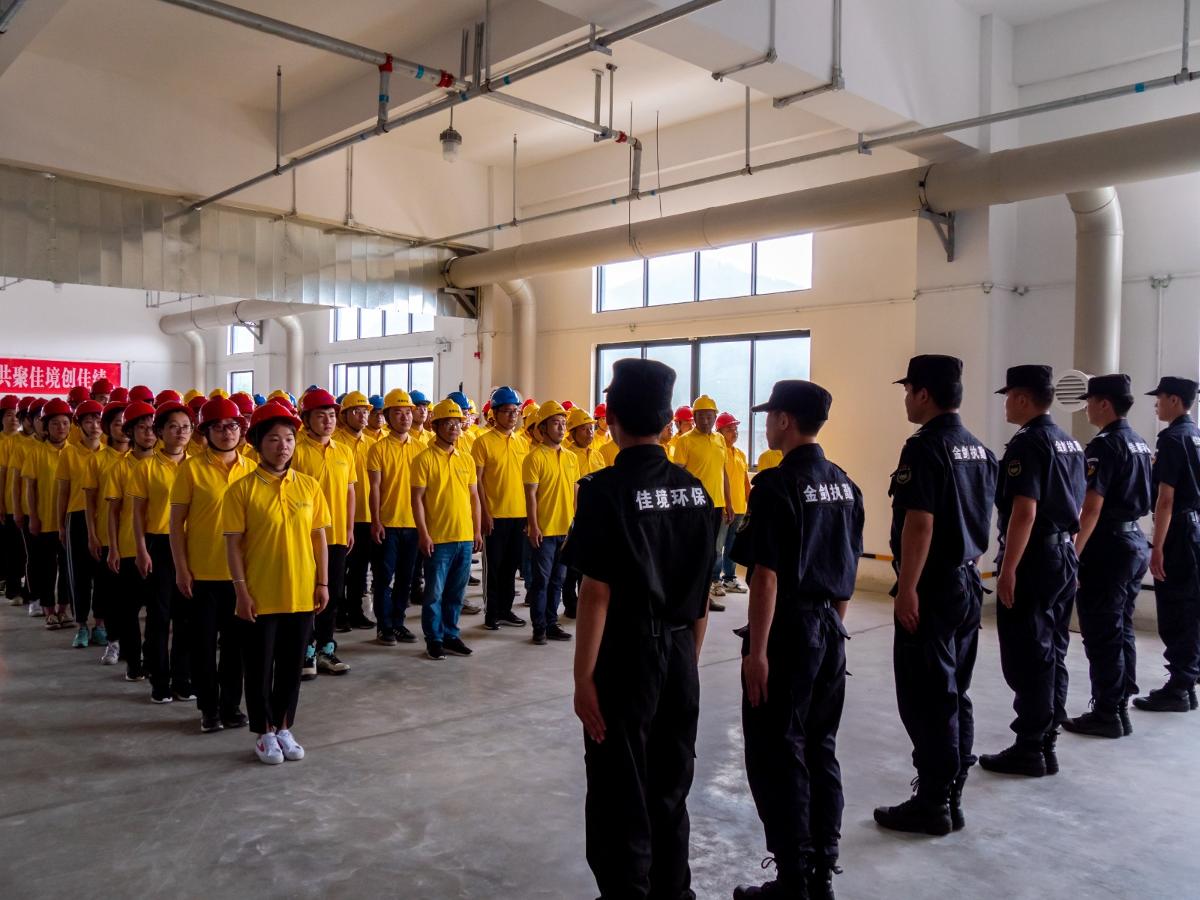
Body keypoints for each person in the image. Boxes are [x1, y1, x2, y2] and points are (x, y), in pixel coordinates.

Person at [565, 358, 715, 900]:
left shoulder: (603, 490)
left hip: (625, 656)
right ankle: (673, 891)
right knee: (671, 782)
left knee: (618, 786)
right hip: (679, 650)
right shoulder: (695, 491)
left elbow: (596, 593)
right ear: (668, 423)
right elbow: (701, 591)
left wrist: (583, 679)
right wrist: (687, 659)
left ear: (611, 421)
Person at [728, 381, 862, 900]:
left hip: (788, 632)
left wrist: (758, 652)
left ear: (784, 420)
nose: (766, 424)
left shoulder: (777, 485)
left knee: (777, 753)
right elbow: (846, 570)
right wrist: (833, 630)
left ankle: (793, 879)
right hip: (830, 629)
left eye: (770, 416)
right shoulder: (845, 485)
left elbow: (765, 577)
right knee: (820, 745)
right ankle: (821, 868)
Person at [873, 356, 996, 837]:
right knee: (954, 693)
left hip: (933, 587)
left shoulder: (925, 447)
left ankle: (932, 804)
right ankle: (951, 795)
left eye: (908, 391)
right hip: (966, 580)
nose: (906, 400)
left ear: (923, 394)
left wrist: (907, 589)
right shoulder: (978, 449)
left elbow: (920, 524)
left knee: (927, 697)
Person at [981, 365, 1085, 777]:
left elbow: (1024, 512)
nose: (1006, 404)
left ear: (1023, 398)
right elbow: (1076, 506)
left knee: (1028, 655)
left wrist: (1008, 569)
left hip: (1034, 559)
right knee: (1052, 650)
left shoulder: (1028, 443)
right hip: (1062, 554)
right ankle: (1045, 743)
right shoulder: (1069, 442)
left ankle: (1029, 747)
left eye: (1008, 396)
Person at [224, 401, 331, 765]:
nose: (283, 446)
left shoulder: (309, 486)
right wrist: (241, 591)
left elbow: (318, 537)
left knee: (291, 665)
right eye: (273, 439)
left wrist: (322, 583)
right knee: (258, 666)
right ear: (257, 443)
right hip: (260, 593)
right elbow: (233, 545)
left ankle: (284, 727)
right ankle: (264, 731)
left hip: (300, 592)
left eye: (288, 438)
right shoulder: (241, 489)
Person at [1061, 375, 1152, 736]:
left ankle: (1107, 713)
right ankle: (1119, 706)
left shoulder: (1104, 445)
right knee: (1121, 628)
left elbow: (1091, 508)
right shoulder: (1139, 442)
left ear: (1103, 404)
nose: (1086, 408)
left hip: (1108, 548)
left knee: (1102, 632)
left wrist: (1073, 554)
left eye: (1089, 401)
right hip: (1133, 542)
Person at [170, 396, 255, 734]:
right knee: (203, 646)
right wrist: (181, 568)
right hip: (202, 573)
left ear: (241, 429)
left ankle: (231, 706)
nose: (226, 432)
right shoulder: (191, 469)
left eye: (232, 426)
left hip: (241, 577)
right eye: (217, 427)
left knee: (236, 648)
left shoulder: (252, 468)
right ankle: (209, 708)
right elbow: (175, 525)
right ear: (205, 432)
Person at [1137, 376, 1200, 713]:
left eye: (1159, 398)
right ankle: (1187, 682)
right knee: (1191, 606)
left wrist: (1157, 546)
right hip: (1195, 527)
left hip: (1178, 530)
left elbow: (1165, 499)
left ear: (1174, 400)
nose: (1156, 405)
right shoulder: (1196, 436)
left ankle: (1179, 686)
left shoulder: (1173, 439)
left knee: (1176, 608)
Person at [129, 400, 194, 704]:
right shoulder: (146, 468)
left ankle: (183, 679)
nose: (180, 432)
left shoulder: (197, 466)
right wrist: (142, 550)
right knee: (159, 616)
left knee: (186, 617)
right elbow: (137, 514)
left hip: (192, 546)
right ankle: (159, 681)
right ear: (160, 432)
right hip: (160, 545)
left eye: (186, 427)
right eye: (173, 427)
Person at [410, 398, 482, 660]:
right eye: (449, 423)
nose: (455, 428)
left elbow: (474, 497)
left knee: (456, 592)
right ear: (435, 426)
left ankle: (451, 634)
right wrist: (423, 533)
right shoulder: (423, 459)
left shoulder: (466, 459)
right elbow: (417, 500)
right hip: (438, 538)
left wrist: (476, 531)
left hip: (464, 536)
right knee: (434, 594)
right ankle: (434, 639)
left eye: (458, 423)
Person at [292, 389, 356, 679]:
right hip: (305, 537)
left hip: (337, 535)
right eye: (321, 416)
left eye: (331, 415)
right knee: (307, 595)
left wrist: (349, 528)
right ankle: (305, 650)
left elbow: (350, 491)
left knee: (332, 593)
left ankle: (326, 648)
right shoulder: (296, 450)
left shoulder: (344, 450)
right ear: (306, 419)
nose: (328, 421)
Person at [105, 401, 158, 682]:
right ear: (130, 432)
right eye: (142, 428)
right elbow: (113, 513)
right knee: (129, 610)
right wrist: (113, 548)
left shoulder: (168, 465)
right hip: (128, 548)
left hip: (161, 547)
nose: (149, 433)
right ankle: (133, 663)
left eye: (152, 428)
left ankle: (151, 660)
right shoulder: (120, 467)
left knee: (158, 612)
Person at [367, 389, 423, 645]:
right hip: (388, 524)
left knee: (406, 578)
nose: (405, 417)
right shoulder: (378, 449)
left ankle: (398, 622)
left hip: (413, 524)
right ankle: (384, 626)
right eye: (398, 413)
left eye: (408, 412)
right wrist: (376, 521)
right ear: (388, 416)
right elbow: (375, 488)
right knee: (383, 578)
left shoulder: (421, 448)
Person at [471, 386, 530, 631]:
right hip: (495, 514)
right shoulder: (483, 443)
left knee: (511, 566)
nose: (512, 416)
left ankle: (506, 610)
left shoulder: (523, 443)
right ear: (494, 414)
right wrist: (485, 513)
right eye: (507, 411)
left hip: (519, 514)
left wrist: (529, 516)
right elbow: (478, 481)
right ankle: (492, 612)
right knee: (493, 567)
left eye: (515, 411)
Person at [522, 400, 579, 645]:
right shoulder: (534, 458)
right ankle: (539, 627)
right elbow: (530, 496)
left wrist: (576, 523)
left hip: (566, 530)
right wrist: (533, 526)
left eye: (564, 423)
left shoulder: (571, 458)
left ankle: (552, 623)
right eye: (556, 423)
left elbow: (575, 494)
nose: (561, 427)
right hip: (544, 530)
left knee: (558, 580)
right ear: (543, 428)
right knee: (541, 581)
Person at [673, 394, 734, 611]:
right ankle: (685, 596)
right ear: (694, 417)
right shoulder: (684, 441)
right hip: (694, 506)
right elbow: (678, 475)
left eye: (709, 416)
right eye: (700, 416)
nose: (705, 421)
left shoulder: (719, 440)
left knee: (710, 553)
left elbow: (723, 473)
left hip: (716, 506)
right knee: (691, 552)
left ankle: (704, 597)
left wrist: (728, 503)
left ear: (715, 417)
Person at [82, 401, 130, 666]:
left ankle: (132, 645)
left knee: (133, 597)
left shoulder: (143, 459)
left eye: (126, 423)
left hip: (136, 539)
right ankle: (113, 641)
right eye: (117, 423)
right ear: (108, 428)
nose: (123, 428)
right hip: (107, 537)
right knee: (110, 593)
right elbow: (90, 503)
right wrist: (92, 534)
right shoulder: (97, 460)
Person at [55, 399, 105, 648]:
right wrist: (61, 525)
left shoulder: (109, 453)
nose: (94, 426)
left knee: (103, 574)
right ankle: (82, 626)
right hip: (76, 517)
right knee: (79, 575)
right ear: (80, 425)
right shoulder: (69, 453)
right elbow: (63, 492)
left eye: (98, 421)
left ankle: (100, 625)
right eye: (88, 421)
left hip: (102, 518)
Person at [23, 399, 72, 626]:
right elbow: (30, 488)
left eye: (65, 423)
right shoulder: (36, 452)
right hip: (45, 520)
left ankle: (64, 608)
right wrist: (33, 516)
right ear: (45, 426)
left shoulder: (75, 452)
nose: (61, 427)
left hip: (69, 521)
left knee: (67, 567)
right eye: (55, 423)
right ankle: (48, 608)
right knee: (47, 567)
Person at [335, 391, 379, 632]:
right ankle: (338, 612)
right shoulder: (335, 443)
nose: (362, 416)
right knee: (339, 569)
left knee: (360, 569)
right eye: (356, 411)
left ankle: (355, 611)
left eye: (365, 411)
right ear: (344, 415)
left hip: (366, 515)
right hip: (340, 516)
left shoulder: (372, 445)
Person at [562, 405, 605, 618]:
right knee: (572, 565)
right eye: (584, 429)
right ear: (573, 432)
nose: (590, 433)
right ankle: (570, 603)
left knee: (588, 564)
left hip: (594, 517)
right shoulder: (567, 455)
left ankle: (583, 602)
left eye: (591, 429)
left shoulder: (597, 456)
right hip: (573, 516)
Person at [713, 411, 750, 596]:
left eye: (735, 429)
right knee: (718, 546)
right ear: (719, 431)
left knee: (732, 546)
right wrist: (724, 505)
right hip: (723, 507)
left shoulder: (740, 454)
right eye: (729, 429)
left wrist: (750, 504)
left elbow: (745, 481)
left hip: (740, 508)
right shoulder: (717, 453)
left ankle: (729, 579)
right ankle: (714, 580)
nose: (734, 432)